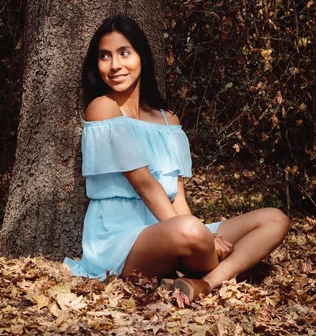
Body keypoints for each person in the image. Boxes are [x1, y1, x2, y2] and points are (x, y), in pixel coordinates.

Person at [64, 15, 290, 302]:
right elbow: (144, 184)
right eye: (104, 56)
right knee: (192, 230)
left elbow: (178, 198)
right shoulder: (102, 109)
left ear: (142, 57)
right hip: (120, 240)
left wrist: (200, 236)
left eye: (124, 53)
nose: (115, 65)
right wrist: (203, 238)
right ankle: (214, 263)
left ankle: (203, 284)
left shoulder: (168, 120)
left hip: (174, 226)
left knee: (274, 219)